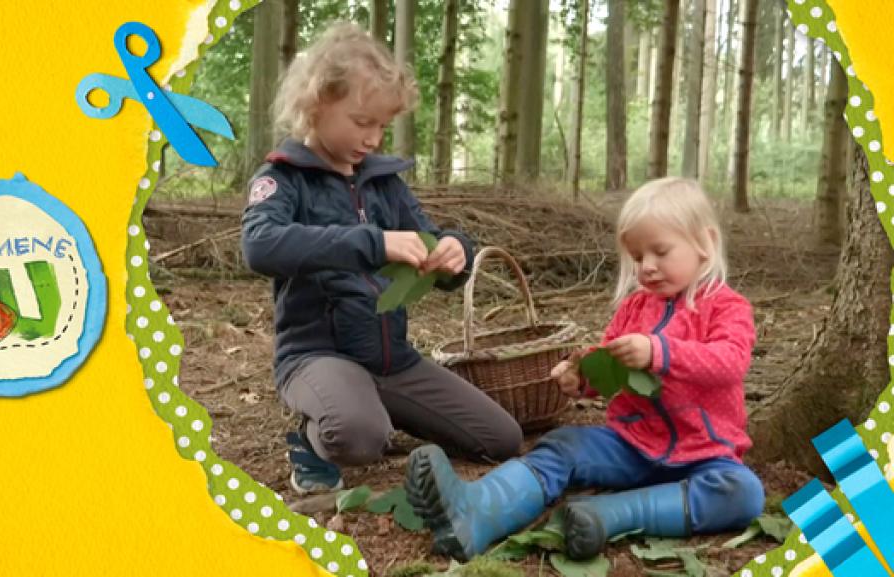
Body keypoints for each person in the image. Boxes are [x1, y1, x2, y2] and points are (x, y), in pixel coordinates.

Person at [405, 177, 765, 561]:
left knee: (742, 492)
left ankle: (610, 515)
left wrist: (659, 351)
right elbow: (608, 363)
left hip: (704, 454)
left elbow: (730, 362)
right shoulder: (634, 308)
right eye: (637, 257)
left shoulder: (726, 307)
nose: (647, 266)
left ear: (705, 243)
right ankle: (478, 509)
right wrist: (582, 376)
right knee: (564, 445)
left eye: (660, 251)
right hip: (630, 444)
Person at [241, 22, 522, 495]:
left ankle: (371, 405)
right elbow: (260, 244)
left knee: (501, 438)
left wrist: (454, 251)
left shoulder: (384, 183)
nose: (373, 138)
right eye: (361, 122)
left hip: (392, 359)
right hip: (316, 356)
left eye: (382, 126)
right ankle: (317, 437)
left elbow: (428, 238)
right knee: (358, 436)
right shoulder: (284, 179)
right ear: (316, 104)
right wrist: (374, 243)